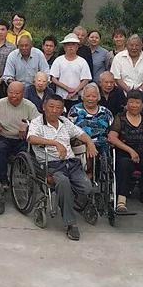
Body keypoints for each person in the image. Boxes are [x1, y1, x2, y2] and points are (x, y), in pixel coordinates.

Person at [28, 94, 99, 241]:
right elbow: (31, 139)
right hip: (51, 165)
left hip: (71, 163)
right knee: (63, 183)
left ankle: (75, 202)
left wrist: (90, 143)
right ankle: (70, 223)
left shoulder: (65, 122)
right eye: (51, 106)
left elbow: (81, 134)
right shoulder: (37, 123)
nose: (54, 110)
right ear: (44, 107)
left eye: (58, 108)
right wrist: (55, 143)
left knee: (87, 187)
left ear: (62, 110)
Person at [107, 90, 143, 216]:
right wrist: (130, 150)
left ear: (142, 104)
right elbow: (112, 138)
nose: (134, 105)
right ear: (126, 103)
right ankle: (121, 200)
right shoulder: (120, 118)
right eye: (131, 102)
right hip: (124, 151)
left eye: (137, 102)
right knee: (123, 164)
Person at [0, 81, 40, 185]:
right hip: (4, 136)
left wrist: (27, 126)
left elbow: (38, 122)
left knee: (27, 152)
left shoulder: (29, 106)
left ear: (23, 93)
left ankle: (26, 178)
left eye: (17, 93)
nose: (13, 95)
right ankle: (2, 179)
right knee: (0, 149)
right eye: (11, 92)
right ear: (7, 92)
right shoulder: (0, 103)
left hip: (22, 139)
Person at [50, 33, 92, 111]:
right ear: (64, 47)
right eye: (68, 45)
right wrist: (67, 89)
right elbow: (53, 78)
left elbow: (86, 79)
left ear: (77, 47)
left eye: (73, 44)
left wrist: (75, 91)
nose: (70, 47)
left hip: (77, 97)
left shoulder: (82, 62)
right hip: (60, 97)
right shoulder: (58, 60)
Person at [68, 83, 114, 151]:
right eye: (88, 96)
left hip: (103, 146)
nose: (91, 99)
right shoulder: (75, 110)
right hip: (82, 146)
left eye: (94, 96)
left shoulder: (105, 111)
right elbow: (69, 130)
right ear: (83, 97)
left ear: (98, 98)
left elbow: (112, 131)